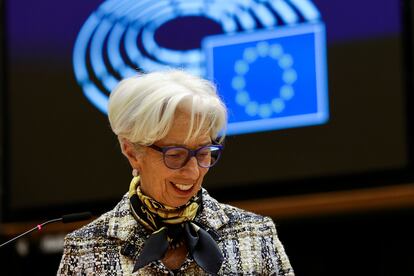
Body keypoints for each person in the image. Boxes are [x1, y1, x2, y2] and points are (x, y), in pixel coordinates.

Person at [57, 69, 294, 275]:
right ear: (131, 152)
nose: (192, 173)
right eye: (175, 155)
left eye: (203, 153)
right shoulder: (86, 248)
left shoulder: (254, 235)